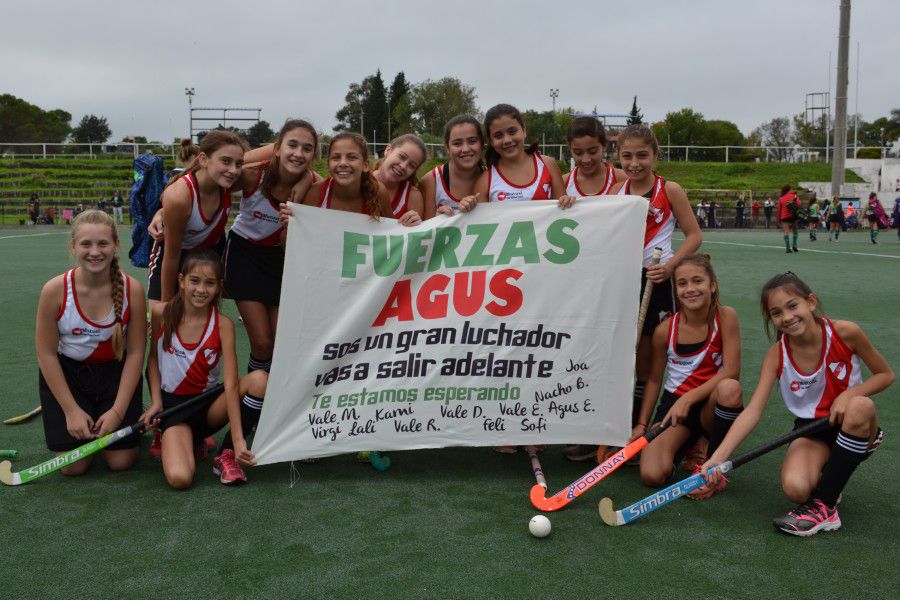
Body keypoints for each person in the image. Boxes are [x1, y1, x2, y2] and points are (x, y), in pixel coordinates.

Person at [700, 272, 893, 536]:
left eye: (793, 306)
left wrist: (849, 394)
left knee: (861, 406)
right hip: (810, 429)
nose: (787, 317)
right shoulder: (776, 355)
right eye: (777, 313)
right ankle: (834, 474)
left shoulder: (845, 332)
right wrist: (716, 458)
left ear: (810, 302)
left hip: (852, 420)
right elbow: (753, 411)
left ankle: (824, 506)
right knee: (795, 489)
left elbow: (886, 375)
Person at [608, 124, 703, 462]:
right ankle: (615, 428)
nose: (635, 163)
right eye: (627, 156)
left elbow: (694, 236)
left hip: (657, 282)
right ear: (618, 157)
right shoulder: (618, 194)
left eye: (642, 156)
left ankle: (640, 424)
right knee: (623, 356)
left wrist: (673, 265)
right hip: (624, 284)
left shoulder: (669, 189)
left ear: (655, 156)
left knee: (649, 358)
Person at [34, 210, 147, 476]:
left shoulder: (132, 290)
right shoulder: (55, 289)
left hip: (114, 375)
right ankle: (85, 419)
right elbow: (46, 354)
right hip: (70, 376)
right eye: (86, 244)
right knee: (73, 467)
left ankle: (124, 413)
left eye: (103, 243)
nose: (94, 251)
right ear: (73, 247)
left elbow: (136, 353)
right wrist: (71, 410)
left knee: (120, 462)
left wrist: (118, 412)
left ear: (116, 245)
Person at [146, 249, 265, 488]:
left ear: (219, 286)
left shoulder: (223, 325)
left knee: (260, 380)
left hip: (209, 406)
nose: (201, 290)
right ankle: (187, 441)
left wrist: (239, 439)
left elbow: (231, 384)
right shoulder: (161, 313)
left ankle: (226, 454)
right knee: (180, 479)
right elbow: (152, 362)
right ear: (181, 281)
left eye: (210, 283)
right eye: (194, 281)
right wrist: (156, 403)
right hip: (174, 410)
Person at [633, 255, 742, 499]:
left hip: (709, 404)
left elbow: (731, 370)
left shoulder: (726, 317)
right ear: (676, 289)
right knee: (652, 475)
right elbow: (653, 379)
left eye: (697, 281)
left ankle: (713, 468)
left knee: (730, 388)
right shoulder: (665, 330)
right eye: (682, 284)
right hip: (675, 408)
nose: (690, 289)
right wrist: (642, 424)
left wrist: (691, 397)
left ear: (712, 285)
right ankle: (689, 443)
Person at [225, 119, 319, 375]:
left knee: (280, 344)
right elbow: (209, 182)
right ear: (277, 148)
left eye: (307, 148)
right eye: (292, 145)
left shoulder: (314, 186)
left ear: (314, 154)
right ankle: (252, 401)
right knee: (262, 343)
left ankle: (268, 401)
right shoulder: (253, 174)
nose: (298, 153)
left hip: (280, 260)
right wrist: (165, 209)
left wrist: (308, 179)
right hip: (245, 253)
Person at [147, 132, 249, 304]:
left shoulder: (229, 180)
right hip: (174, 256)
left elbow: (277, 152)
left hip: (208, 257)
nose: (233, 170)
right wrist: (166, 306)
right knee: (162, 319)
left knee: (202, 325)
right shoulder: (180, 196)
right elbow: (172, 257)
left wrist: (306, 179)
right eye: (225, 161)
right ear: (203, 159)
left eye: (239, 163)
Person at [463, 103, 567, 206]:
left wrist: (567, 201)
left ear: (524, 130)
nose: (507, 140)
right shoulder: (485, 181)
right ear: (491, 140)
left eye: (512, 132)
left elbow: (563, 212)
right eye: (498, 136)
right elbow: (480, 221)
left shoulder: (548, 165)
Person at [421, 115, 484, 219]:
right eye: (457, 143)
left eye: (472, 141)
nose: (465, 149)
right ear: (447, 148)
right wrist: (437, 219)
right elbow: (424, 229)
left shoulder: (491, 177)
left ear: (481, 144)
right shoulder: (431, 181)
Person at [561, 117, 625, 199]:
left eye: (593, 152)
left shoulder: (622, 179)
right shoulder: (563, 183)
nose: (586, 160)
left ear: (604, 145)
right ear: (570, 148)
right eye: (578, 153)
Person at [372, 134, 427, 224]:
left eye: (412, 165)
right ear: (388, 150)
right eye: (402, 157)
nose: (403, 166)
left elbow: (414, 236)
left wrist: (416, 224)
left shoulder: (413, 196)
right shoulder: (359, 182)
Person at [778, 184, 801, 253]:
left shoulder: (781, 198)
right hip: (793, 215)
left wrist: (779, 219)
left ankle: (787, 248)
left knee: (786, 231)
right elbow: (799, 204)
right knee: (795, 230)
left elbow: (779, 209)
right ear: (789, 189)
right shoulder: (795, 196)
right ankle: (794, 244)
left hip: (784, 216)